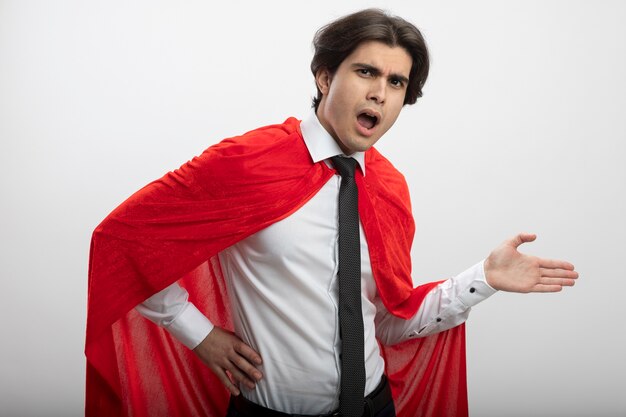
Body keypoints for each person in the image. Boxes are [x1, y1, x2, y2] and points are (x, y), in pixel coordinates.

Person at [85, 8, 578, 417]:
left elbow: (388, 321)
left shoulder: (388, 188)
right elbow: (122, 242)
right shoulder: (245, 162)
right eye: (366, 72)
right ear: (325, 76)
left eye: (396, 82)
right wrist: (200, 335)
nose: (379, 93)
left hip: (374, 407)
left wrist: (482, 279)